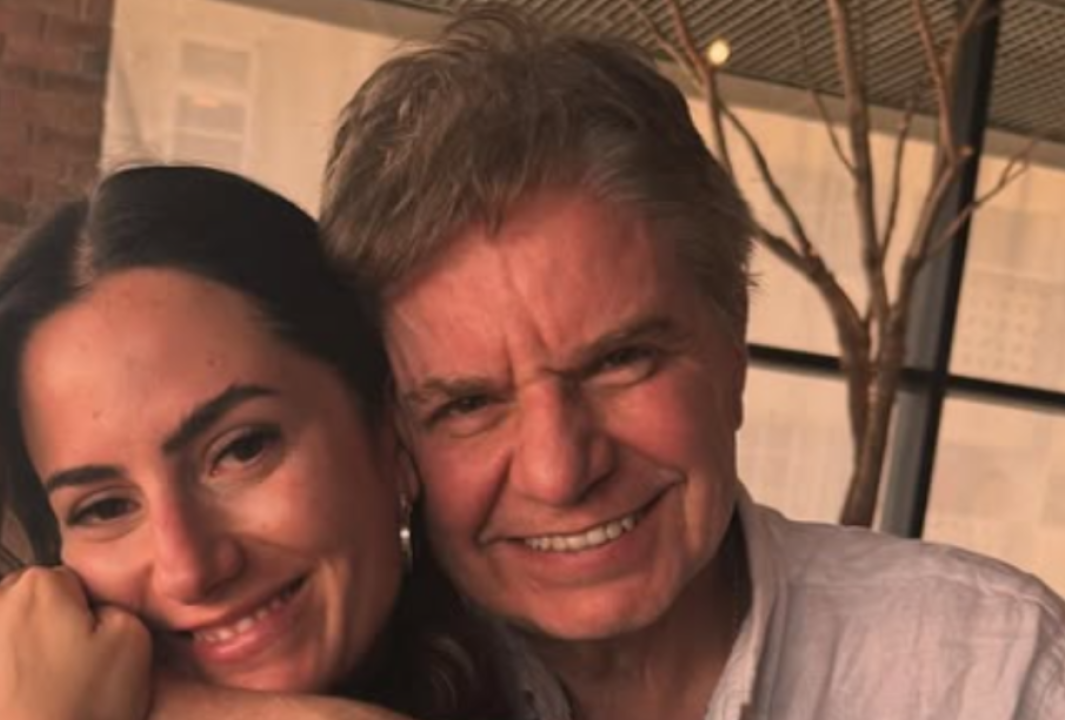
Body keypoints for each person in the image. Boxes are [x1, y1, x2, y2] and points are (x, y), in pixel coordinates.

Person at [317, 7, 1065, 720]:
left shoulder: (994, 674)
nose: (559, 473)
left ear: (732, 343)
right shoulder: (329, 685)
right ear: (397, 446)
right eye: (469, 405)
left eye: (621, 360)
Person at [0, 166, 512, 720]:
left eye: (241, 450)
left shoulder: (545, 669)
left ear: (387, 430)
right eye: (105, 507)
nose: (190, 569)